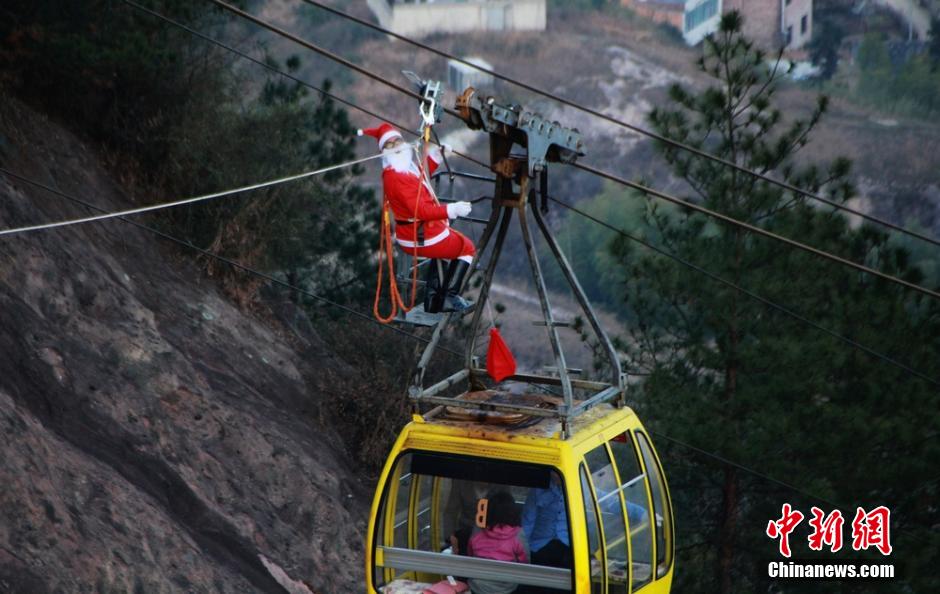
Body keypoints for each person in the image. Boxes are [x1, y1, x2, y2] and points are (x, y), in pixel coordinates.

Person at [359, 122, 476, 313]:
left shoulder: (401, 168)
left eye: (398, 141)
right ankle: (447, 297)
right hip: (419, 235)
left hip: (418, 231)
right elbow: (420, 210)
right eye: (390, 145)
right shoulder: (395, 178)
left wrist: (435, 157)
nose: (396, 146)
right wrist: (451, 210)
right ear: (384, 151)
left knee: (448, 247)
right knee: (467, 248)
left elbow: (420, 180)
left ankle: (433, 299)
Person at [467, 491, 529, 594]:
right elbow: (525, 563)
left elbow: (470, 554)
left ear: (488, 510)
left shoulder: (478, 530)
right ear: (512, 511)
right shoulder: (518, 534)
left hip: (477, 586)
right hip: (507, 588)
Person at [521, 475, 571, 570]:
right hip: (540, 544)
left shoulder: (578, 488)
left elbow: (600, 498)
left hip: (567, 544)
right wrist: (523, 548)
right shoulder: (538, 489)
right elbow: (528, 520)